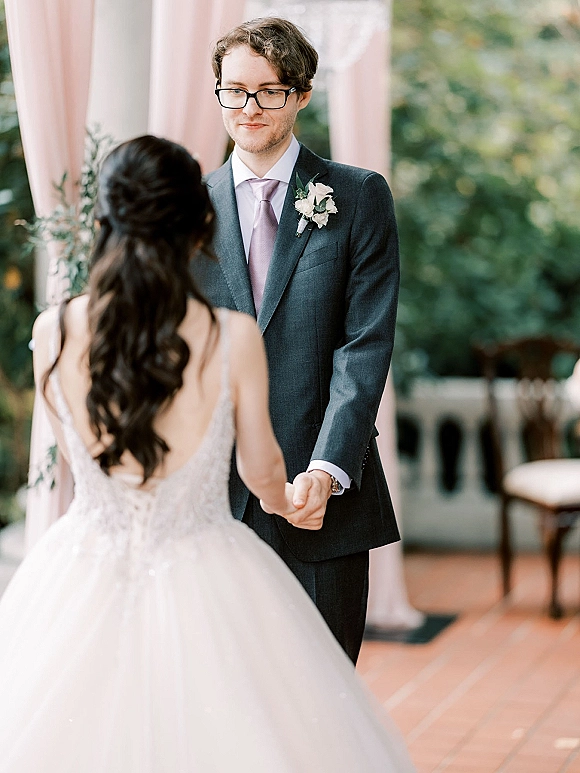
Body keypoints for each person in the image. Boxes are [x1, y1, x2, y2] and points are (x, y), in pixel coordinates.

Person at [0, 136, 414, 772]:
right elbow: (261, 469)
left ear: (105, 220)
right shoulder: (228, 336)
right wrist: (285, 501)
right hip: (203, 564)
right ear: (199, 222)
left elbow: (79, 451)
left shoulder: (53, 330)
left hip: (81, 563)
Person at [192, 17, 400, 663]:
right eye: (234, 90)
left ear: (301, 94)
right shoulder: (185, 212)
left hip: (325, 504)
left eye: (269, 91)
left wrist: (327, 469)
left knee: (325, 703)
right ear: (218, 91)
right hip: (213, 509)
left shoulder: (358, 196)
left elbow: (364, 345)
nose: (249, 107)